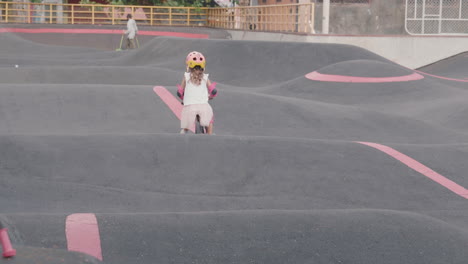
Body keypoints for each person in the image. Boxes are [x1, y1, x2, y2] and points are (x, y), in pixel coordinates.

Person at [177, 51, 218, 135]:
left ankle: (184, 131)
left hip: (190, 107)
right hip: (203, 106)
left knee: (187, 122)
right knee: (209, 118)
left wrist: (183, 99)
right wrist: (211, 96)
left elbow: (179, 92)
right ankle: (210, 134)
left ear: (189, 65)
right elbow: (213, 90)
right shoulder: (205, 77)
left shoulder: (186, 76)